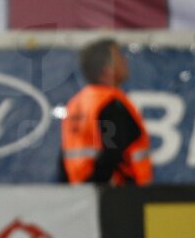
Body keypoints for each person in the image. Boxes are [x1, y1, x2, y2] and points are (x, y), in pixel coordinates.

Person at [61, 38, 152, 186]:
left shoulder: (76, 103)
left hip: (81, 195)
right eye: (119, 56)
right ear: (106, 70)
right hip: (117, 196)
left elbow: (64, 157)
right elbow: (112, 153)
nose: (125, 60)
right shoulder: (110, 104)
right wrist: (95, 186)